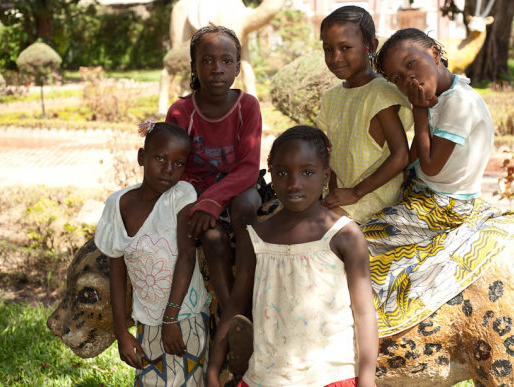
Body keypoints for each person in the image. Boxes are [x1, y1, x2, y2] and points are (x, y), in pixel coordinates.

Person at [362, 28, 514, 337]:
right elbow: (411, 157)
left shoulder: (459, 103)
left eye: (410, 65)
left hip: (445, 205)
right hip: (422, 194)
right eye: (397, 78)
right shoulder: (441, 95)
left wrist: (420, 110)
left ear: (434, 53)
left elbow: (431, 167)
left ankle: (368, 321)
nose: (408, 80)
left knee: (360, 240)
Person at [206, 125, 378, 387]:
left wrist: (366, 379)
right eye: (283, 172)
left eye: (307, 172)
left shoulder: (344, 235)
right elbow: (236, 304)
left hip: (329, 377)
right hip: (267, 378)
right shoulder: (257, 237)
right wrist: (214, 367)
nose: (294, 183)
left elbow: (364, 313)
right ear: (271, 175)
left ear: (325, 176)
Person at [94, 121, 211, 386]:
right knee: (150, 382)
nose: (169, 170)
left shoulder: (181, 195)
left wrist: (172, 318)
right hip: (147, 320)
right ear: (141, 157)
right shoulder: (118, 203)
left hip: (185, 317)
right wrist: (122, 332)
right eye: (160, 158)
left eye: (178, 164)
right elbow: (117, 270)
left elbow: (186, 255)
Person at [165, 24, 262, 311]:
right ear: (194, 67)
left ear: (237, 69)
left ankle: (247, 287)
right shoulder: (181, 112)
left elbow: (248, 168)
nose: (217, 68)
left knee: (246, 205)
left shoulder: (247, 106)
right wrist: (198, 202)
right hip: (195, 190)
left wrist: (213, 200)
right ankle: (233, 311)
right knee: (211, 236)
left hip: (238, 187)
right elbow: (174, 168)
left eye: (226, 61)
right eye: (207, 60)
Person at [318, 5, 413, 224]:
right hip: (340, 193)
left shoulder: (381, 93)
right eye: (328, 49)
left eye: (345, 47)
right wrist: (333, 191)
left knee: (316, 229)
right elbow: (331, 151)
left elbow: (401, 155)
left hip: (371, 194)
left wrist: (355, 193)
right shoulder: (332, 96)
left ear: (370, 46)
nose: (335, 57)